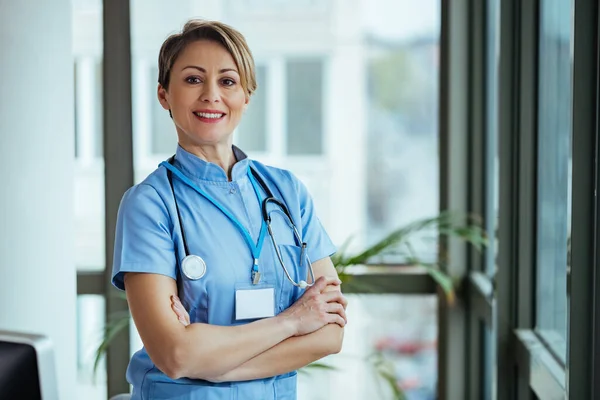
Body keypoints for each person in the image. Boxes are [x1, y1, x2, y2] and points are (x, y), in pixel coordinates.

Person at [111, 19, 348, 399]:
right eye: (192, 80)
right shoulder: (149, 204)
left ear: (246, 96)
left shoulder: (287, 193)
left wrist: (215, 367)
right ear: (163, 95)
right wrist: (293, 321)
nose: (211, 95)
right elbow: (174, 354)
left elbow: (330, 333)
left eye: (227, 81)